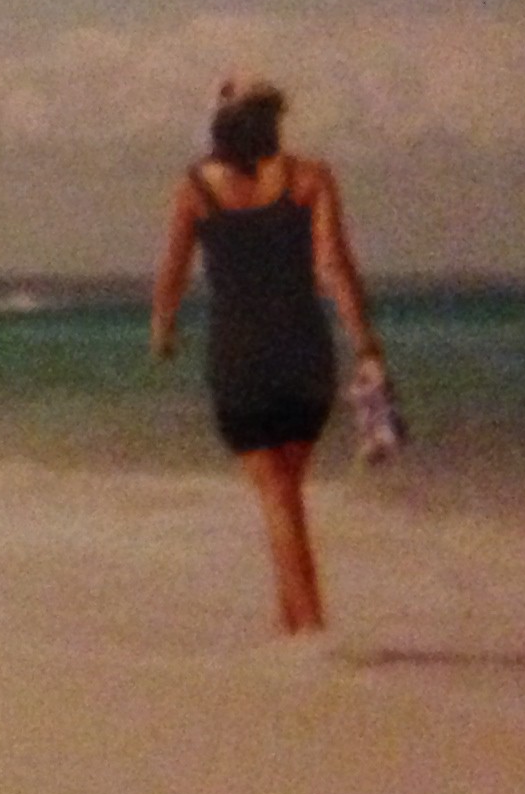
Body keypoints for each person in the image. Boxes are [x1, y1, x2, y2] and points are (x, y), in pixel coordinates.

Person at [149, 76, 384, 637]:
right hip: (305, 353)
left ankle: (314, 633)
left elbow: (174, 271)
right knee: (288, 495)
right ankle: (291, 631)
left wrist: (163, 327)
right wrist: (364, 342)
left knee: (279, 499)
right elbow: (333, 267)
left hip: (241, 361)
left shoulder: (193, 189)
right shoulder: (310, 179)